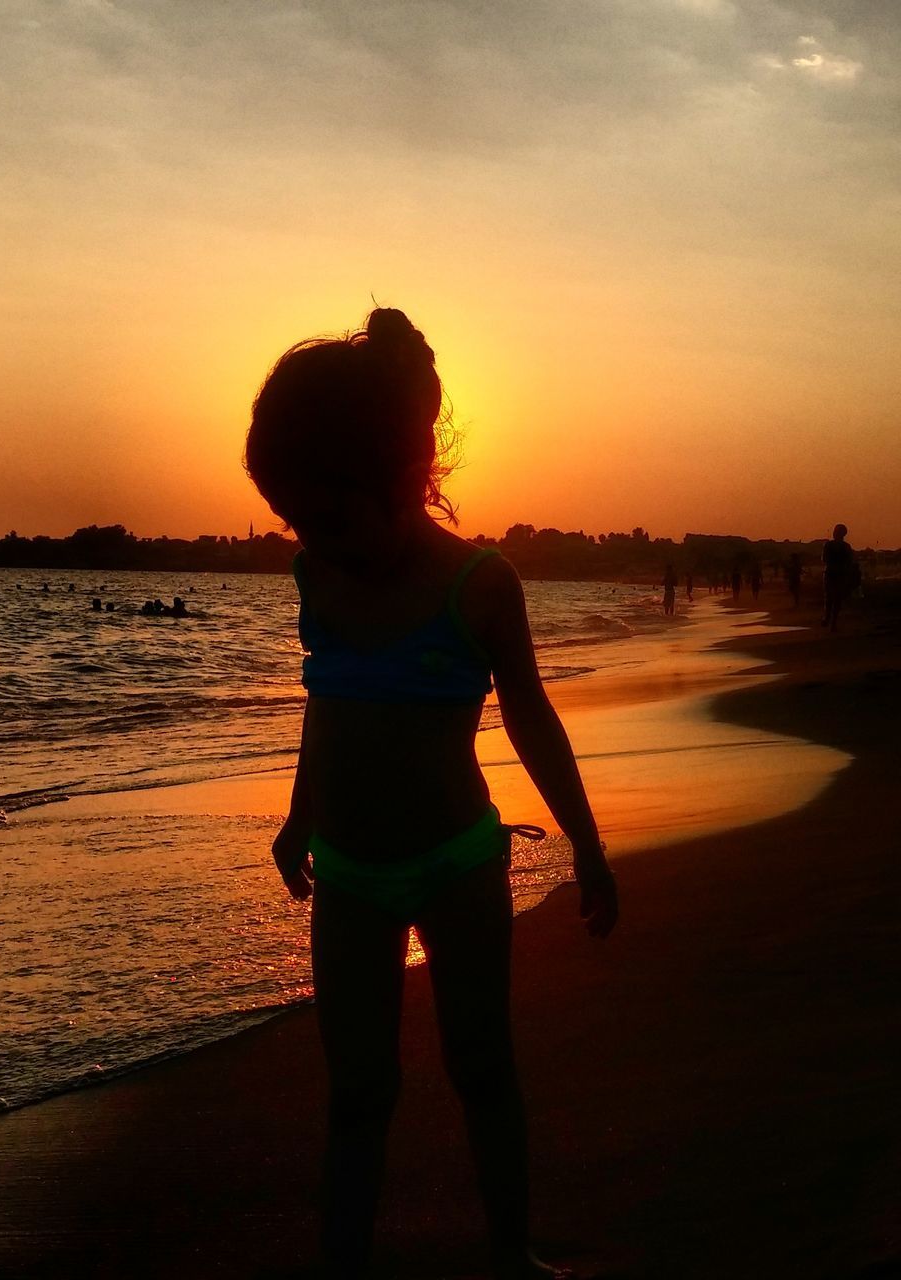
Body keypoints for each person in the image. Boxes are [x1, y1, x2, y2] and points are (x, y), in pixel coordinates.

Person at [245, 307, 617, 1280]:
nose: (314, 537)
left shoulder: (478, 585)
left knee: (481, 1066)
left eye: (329, 514)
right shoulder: (314, 576)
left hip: (456, 860)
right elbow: (327, 702)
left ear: (401, 472)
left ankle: (509, 1251)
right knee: (356, 1091)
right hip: (351, 870)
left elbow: (531, 719)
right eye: (295, 520)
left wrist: (585, 841)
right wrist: (298, 813)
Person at [821, 523, 855, 631]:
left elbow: (824, 559)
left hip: (831, 573)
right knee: (836, 600)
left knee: (829, 598)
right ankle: (833, 622)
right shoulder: (846, 546)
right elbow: (849, 562)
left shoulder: (828, 545)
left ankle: (828, 618)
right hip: (840, 575)